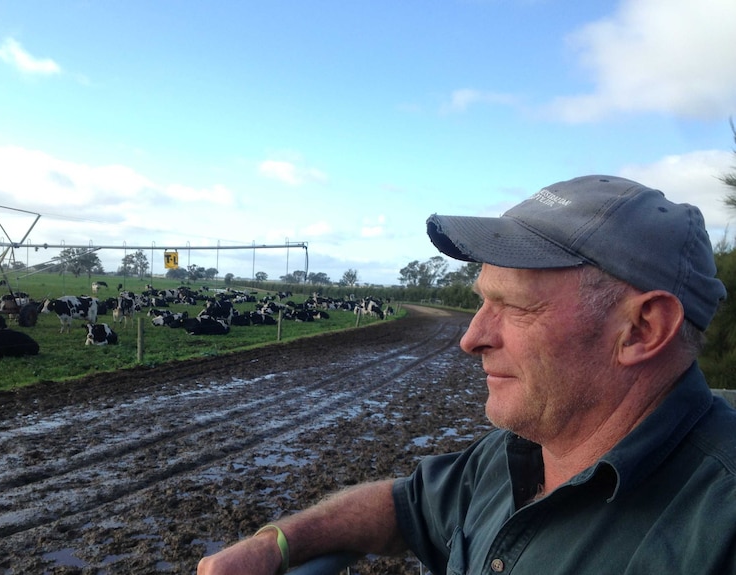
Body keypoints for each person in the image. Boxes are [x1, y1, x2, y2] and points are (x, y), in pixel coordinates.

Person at [197, 175, 736, 575]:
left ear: (643, 328)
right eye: (482, 302)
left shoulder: (716, 529)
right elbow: (403, 506)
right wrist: (278, 543)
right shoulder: (511, 455)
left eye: (515, 306)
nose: (470, 337)